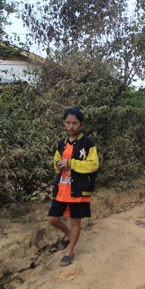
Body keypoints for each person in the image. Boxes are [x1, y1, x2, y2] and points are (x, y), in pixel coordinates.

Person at [47, 107, 100, 266]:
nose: (71, 126)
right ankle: (69, 234)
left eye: (74, 123)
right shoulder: (61, 143)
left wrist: (72, 163)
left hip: (78, 189)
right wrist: (58, 164)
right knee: (52, 218)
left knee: (76, 221)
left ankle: (70, 251)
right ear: (64, 123)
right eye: (68, 123)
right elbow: (56, 164)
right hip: (62, 188)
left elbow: (93, 165)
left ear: (81, 124)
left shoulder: (87, 142)